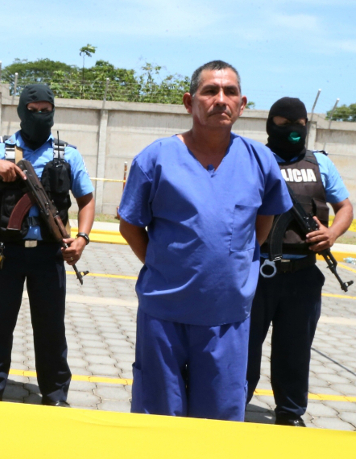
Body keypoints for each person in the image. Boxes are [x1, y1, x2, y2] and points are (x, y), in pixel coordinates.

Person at [118, 60, 292, 421]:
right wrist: (166, 266)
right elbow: (130, 226)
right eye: (210, 91)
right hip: (163, 312)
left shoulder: (259, 160)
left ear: (242, 105)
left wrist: (232, 263)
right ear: (189, 102)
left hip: (226, 317)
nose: (221, 99)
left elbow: (263, 223)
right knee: (158, 417)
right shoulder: (156, 158)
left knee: (218, 421)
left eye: (230, 92)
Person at [0, 84, 95, 406]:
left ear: (53, 111)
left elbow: (87, 200)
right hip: (6, 253)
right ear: (21, 111)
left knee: (50, 328)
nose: (39, 116)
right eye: (32, 110)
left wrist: (82, 238)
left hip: (49, 254)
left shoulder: (67, 154)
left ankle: (55, 394)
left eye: (45, 110)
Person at [247, 97, 353, 427]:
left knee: (295, 350)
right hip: (257, 271)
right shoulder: (254, 159)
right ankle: (232, 404)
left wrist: (332, 234)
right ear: (270, 125)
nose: (292, 130)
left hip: (303, 274)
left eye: (299, 125)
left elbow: (345, 207)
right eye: (283, 124)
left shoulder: (320, 163)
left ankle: (290, 414)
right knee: (244, 347)